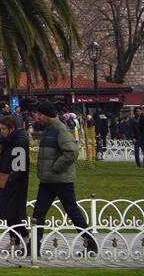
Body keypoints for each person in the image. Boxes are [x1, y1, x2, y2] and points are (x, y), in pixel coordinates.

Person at [32, 101, 97, 255]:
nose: (37, 117)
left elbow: (71, 152)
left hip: (61, 180)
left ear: (46, 115)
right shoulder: (50, 129)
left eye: (39, 114)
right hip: (48, 180)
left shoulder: (60, 129)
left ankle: (91, 244)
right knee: (38, 213)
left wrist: (56, 167)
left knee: (73, 212)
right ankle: (34, 247)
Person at [0, 113, 31, 259]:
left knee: (13, 213)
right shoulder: (9, 141)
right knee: (7, 213)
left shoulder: (19, 142)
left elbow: (20, 167)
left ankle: (23, 237)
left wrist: (8, 179)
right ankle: (14, 240)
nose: (1, 132)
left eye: (3, 129)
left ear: (12, 128)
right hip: (5, 179)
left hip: (14, 183)